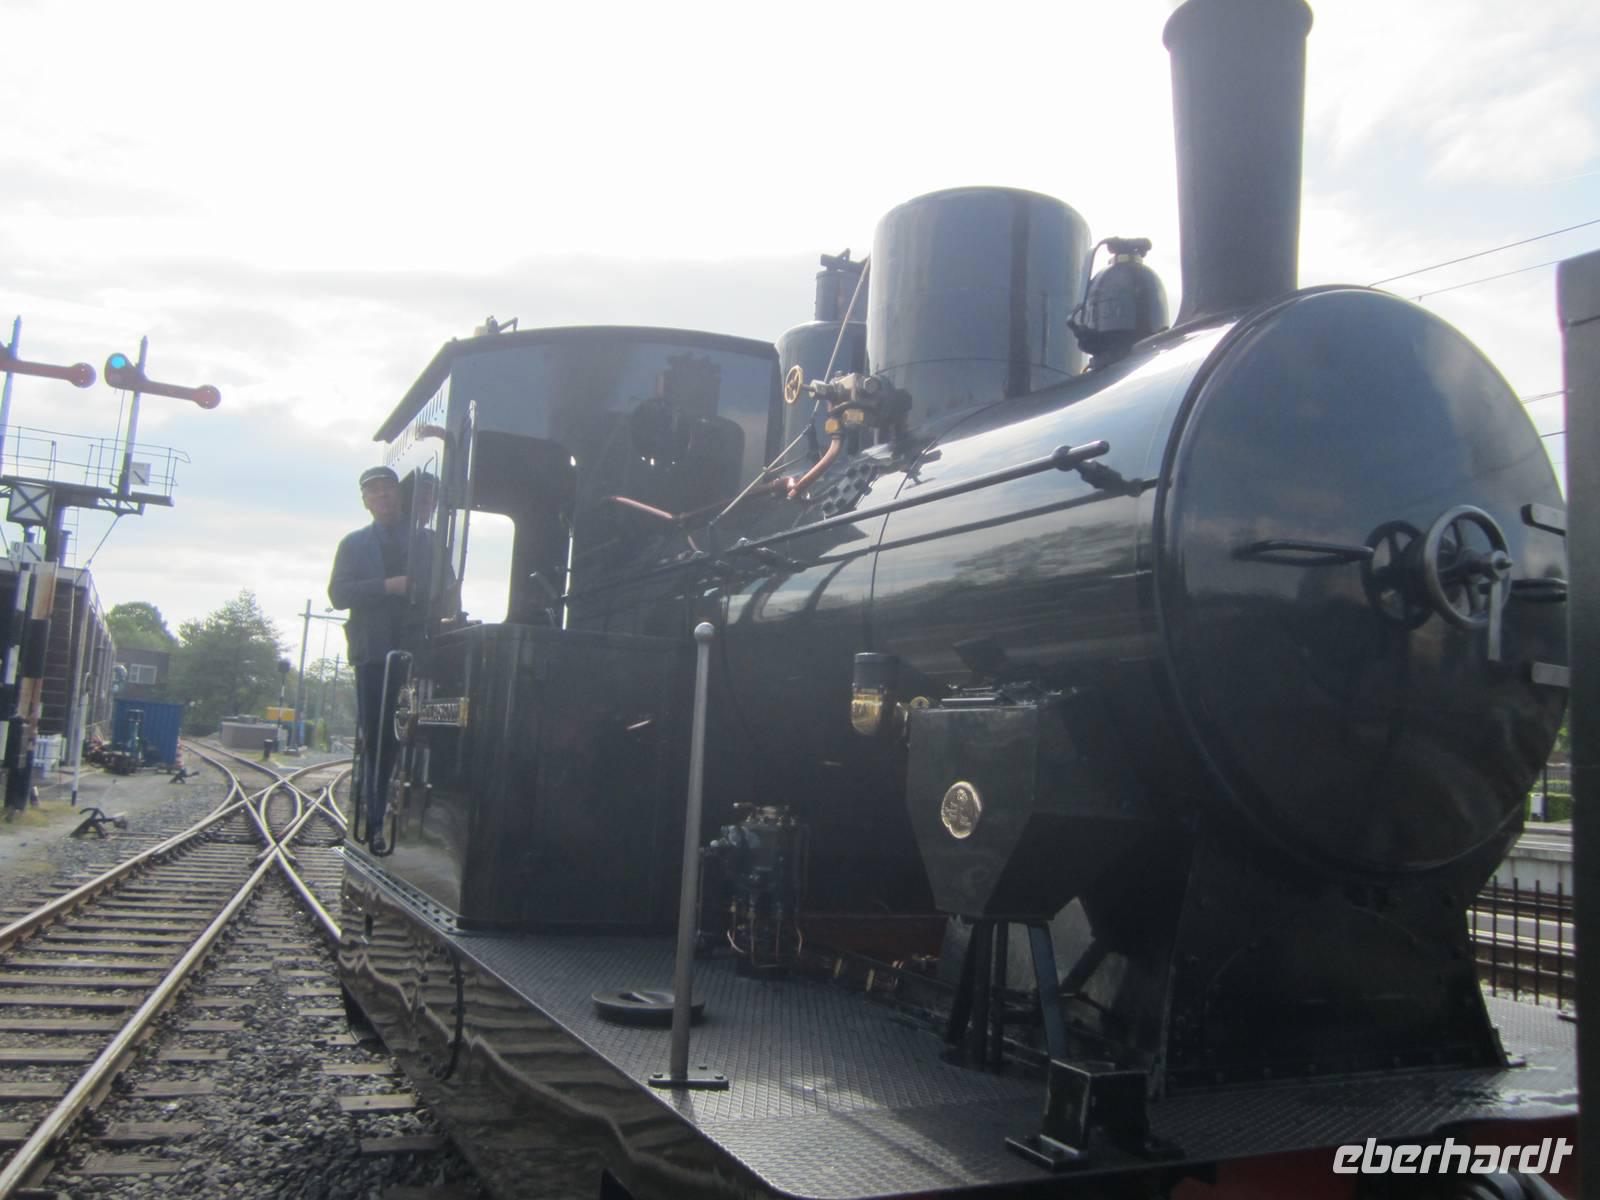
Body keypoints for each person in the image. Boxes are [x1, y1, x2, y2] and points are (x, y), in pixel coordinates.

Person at [328, 465, 411, 852]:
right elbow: (339, 594)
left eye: (387, 490)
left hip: (418, 653)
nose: (381, 497)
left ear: (398, 494)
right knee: (376, 738)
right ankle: (374, 823)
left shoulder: (425, 540)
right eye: (374, 492)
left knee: (410, 739)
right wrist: (386, 587)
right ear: (365, 501)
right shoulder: (353, 544)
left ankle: (404, 822)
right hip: (372, 654)